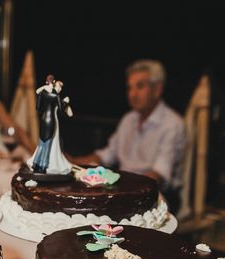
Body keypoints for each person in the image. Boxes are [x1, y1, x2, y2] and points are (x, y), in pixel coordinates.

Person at [73, 60, 186, 213]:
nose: (133, 94)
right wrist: (71, 162)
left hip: (157, 193)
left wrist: (119, 190)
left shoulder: (172, 123)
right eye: (129, 88)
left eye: (140, 86)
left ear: (157, 89)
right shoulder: (128, 119)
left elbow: (158, 175)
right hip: (124, 188)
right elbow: (106, 155)